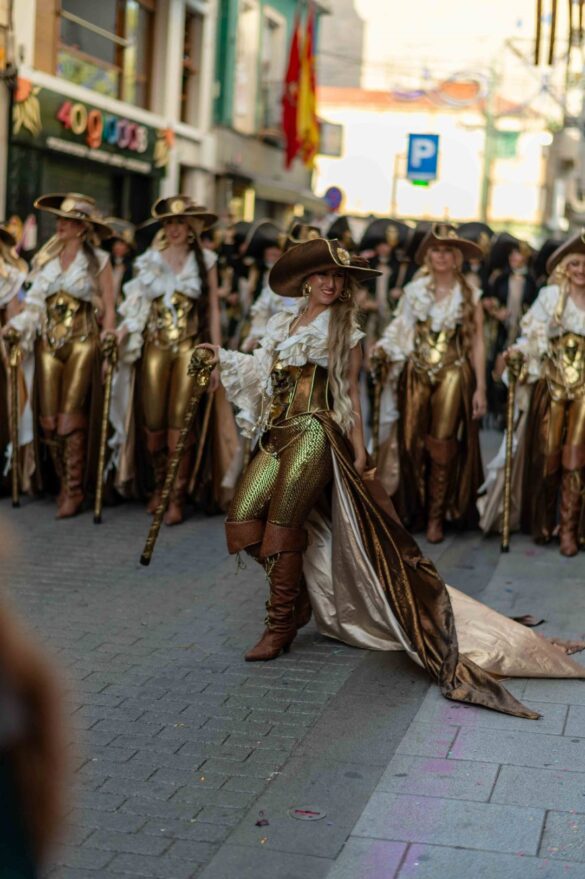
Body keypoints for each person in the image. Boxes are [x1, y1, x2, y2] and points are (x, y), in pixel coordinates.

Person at [197, 236, 584, 720]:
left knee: (283, 525)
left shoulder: (344, 327)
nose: (330, 283)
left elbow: (349, 391)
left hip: (316, 431)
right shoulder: (283, 322)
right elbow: (260, 372)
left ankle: (279, 624)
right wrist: (220, 356)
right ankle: (297, 602)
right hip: (276, 433)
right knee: (241, 520)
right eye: (323, 274)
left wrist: (361, 448)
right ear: (306, 280)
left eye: (338, 277)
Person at [115, 196, 238, 522]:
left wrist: (215, 354)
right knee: (153, 427)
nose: (173, 229)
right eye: (169, 223)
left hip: (189, 350)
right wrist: (120, 332)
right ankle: (160, 485)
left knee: (179, 426)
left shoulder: (207, 260)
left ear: (192, 227)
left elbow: (213, 309)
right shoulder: (149, 260)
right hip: (154, 349)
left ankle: (176, 496)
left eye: (180, 223)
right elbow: (136, 306)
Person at [2, 194, 115, 518]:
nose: (60, 225)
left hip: (83, 343)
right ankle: (62, 481)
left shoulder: (99, 261)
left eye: (68, 221)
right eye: (60, 220)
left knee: (70, 418)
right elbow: (34, 306)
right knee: (49, 421)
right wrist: (15, 327)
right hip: (47, 345)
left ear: (82, 228)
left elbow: (110, 307)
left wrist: (108, 343)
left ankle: (74, 489)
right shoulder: (45, 260)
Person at [375, 223, 486, 543]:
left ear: (456, 257)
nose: (441, 256)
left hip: (454, 372)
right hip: (415, 372)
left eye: (448, 250)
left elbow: (478, 343)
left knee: (442, 443)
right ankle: (416, 509)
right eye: (436, 250)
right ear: (428, 255)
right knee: (411, 441)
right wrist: (383, 349)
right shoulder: (414, 291)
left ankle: (437, 516)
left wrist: (480, 388)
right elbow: (400, 329)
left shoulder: (470, 294)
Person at [509, 231, 585, 556]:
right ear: (565, 266)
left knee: (576, 457)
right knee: (549, 453)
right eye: (576, 263)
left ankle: (568, 530)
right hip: (552, 385)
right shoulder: (550, 296)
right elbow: (532, 337)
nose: (581, 270)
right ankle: (544, 522)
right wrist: (516, 354)